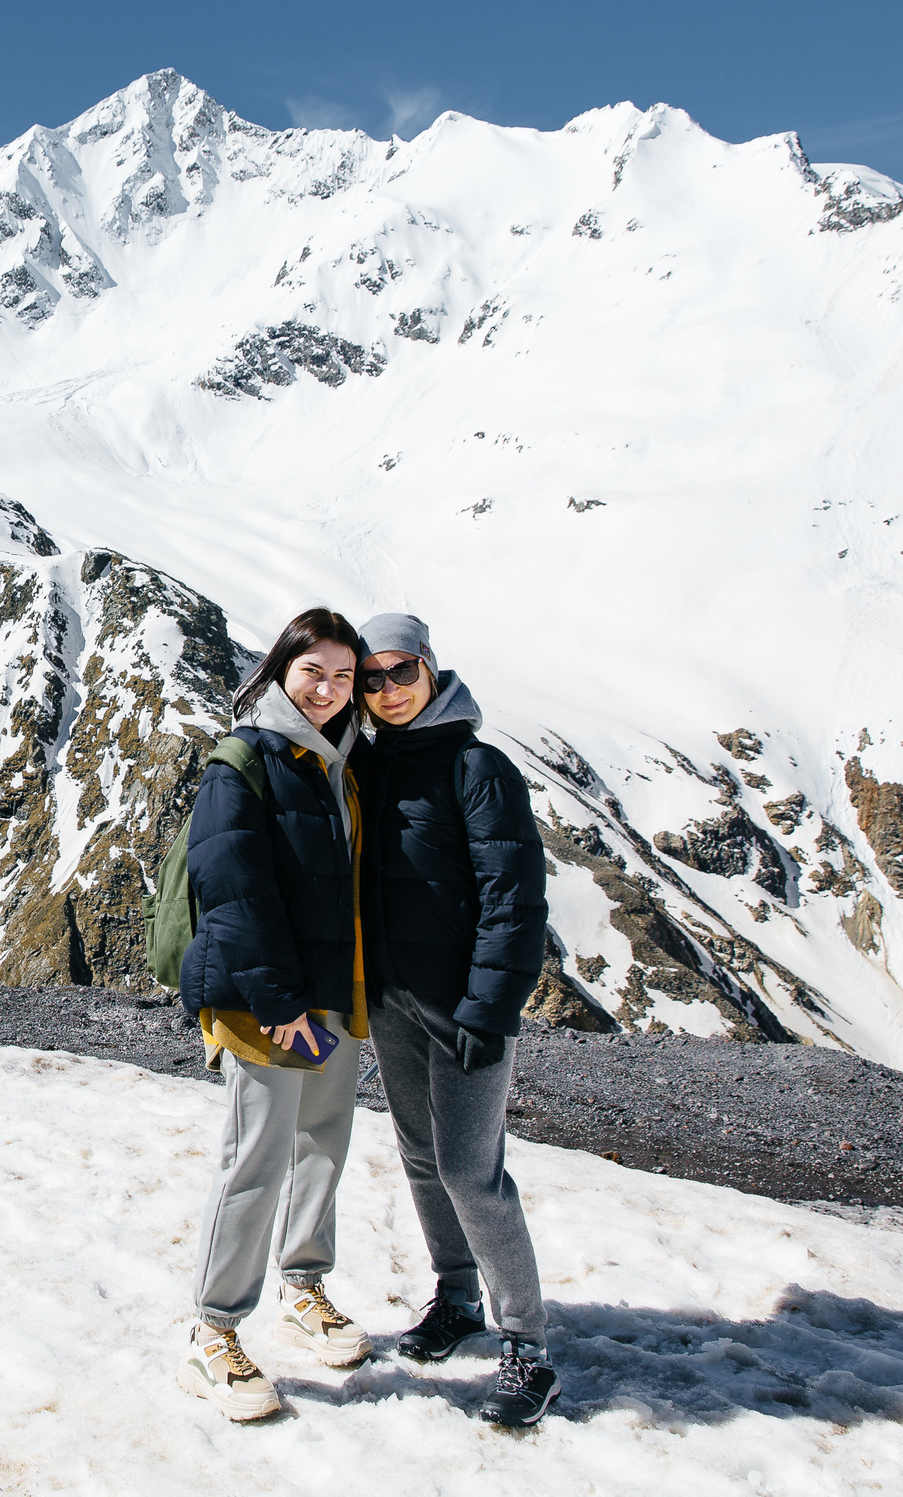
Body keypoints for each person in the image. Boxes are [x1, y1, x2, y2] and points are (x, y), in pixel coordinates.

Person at [351, 612, 560, 1428]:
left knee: (473, 1170)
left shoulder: (479, 767)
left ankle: (528, 1345)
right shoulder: (369, 764)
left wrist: (490, 1004)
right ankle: (457, 1294)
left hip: (466, 1007)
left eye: (401, 672)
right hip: (394, 999)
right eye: (373, 678)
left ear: (433, 672)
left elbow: (516, 899)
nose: (388, 689)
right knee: (418, 1152)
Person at [173, 608, 374, 1421]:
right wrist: (279, 1001)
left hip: (330, 991)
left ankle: (304, 1284)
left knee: (323, 1141)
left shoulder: (339, 762)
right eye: (312, 672)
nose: (328, 689)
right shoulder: (244, 760)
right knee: (255, 1156)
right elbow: (231, 887)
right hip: (270, 998)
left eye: (343, 676)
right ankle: (212, 1329)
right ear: (280, 671)